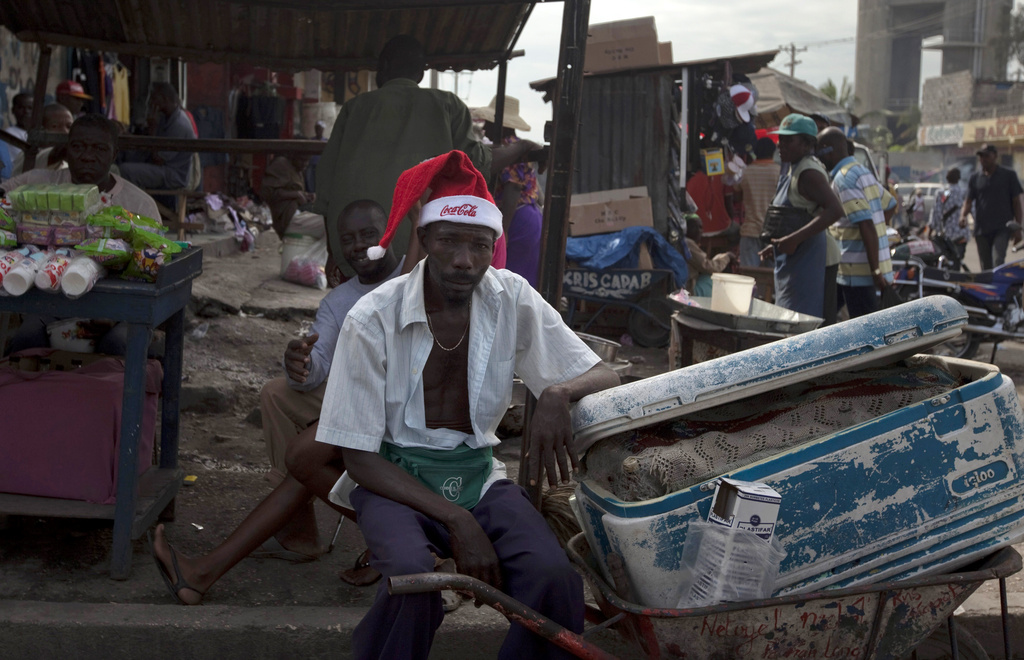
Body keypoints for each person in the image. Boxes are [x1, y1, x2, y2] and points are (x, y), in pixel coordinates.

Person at [308, 150, 620, 659]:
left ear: (494, 247)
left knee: (554, 578)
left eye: (479, 245)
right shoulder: (373, 317)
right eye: (449, 241)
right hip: (393, 479)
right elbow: (358, 457)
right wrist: (459, 520)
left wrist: (557, 393)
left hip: (477, 476)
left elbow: (604, 372)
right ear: (424, 239)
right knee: (414, 582)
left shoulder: (510, 296)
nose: (464, 260)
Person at [150, 200, 404, 604]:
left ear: (389, 231)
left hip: (399, 414)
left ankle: (206, 571)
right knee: (279, 398)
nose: (358, 246)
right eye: (348, 239)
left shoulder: (415, 276)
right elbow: (318, 363)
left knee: (304, 459)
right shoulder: (340, 300)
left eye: (368, 235)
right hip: (363, 408)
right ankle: (265, 544)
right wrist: (300, 364)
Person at [314, 34, 534, 281]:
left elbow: (325, 188)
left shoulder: (354, 108)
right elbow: (479, 163)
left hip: (358, 255)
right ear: (421, 73)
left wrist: (333, 252)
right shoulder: (447, 105)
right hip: (422, 253)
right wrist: (522, 146)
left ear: (382, 68)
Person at [2, 114, 160, 355]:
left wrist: (113, 316)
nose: (87, 156)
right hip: (53, 306)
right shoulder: (39, 185)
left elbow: (153, 266)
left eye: (99, 149)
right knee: (27, 339)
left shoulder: (139, 204)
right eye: (78, 147)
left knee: (116, 345)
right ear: (66, 151)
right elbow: (4, 195)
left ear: (114, 154)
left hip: (120, 309)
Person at [758, 113, 844, 319]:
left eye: (789, 140)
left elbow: (835, 210)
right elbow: (796, 216)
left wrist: (794, 239)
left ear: (806, 145)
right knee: (793, 319)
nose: (781, 145)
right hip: (797, 258)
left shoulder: (809, 173)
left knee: (810, 322)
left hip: (815, 260)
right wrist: (778, 244)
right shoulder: (793, 169)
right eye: (780, 139)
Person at [817, 127, 894, 319]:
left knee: (865, 327)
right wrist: (878, 225)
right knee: (824, 315)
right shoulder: (862, 172)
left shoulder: (845, 180)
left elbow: (865, 222)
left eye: (819, 152)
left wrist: (875, 269)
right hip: (848, 268)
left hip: (858, 271)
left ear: (829, 151)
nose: (818, 159)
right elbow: (890, 204)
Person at [475, 95, 544, 287]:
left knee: (511, 281)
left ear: (500, 125)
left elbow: (513, 188)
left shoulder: (510, 149)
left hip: (516, 218)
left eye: (489, 122)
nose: (485, 128)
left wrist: (502, 231)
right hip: (528, 217)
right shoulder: (515, 146)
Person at [119, 82, 197, 191]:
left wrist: (153, 129)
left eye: (154, 98)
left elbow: (158, 159)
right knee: (126, 153)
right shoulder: (165, 116)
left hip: (172, 174)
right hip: (160, 164)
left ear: (165, 100)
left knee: (125, 170)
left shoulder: (179, 124)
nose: (151, 102)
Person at [961, 143, 1023, 270]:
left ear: (995, 156)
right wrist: (963, 216)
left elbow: (1016, 203)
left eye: (986, 156)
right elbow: (968, 201)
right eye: (981, 156)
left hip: (1002, 228)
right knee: (986, 267)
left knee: (998, 261)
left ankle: (999, 283)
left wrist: (1018, 227)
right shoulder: (975, 178)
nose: (983, 159)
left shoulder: (1008, 175)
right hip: (981, 229)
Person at [737, 137, 780, 267]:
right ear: (773, 152)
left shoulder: (745, 172)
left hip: (750, 230)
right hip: (774, 232)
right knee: (772, 275)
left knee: (748, 275)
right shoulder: (780, 173)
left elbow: (737, 193)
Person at [261, 152, 322, 240]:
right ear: (293, 156)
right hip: (286, 218)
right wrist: (295, 195)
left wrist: (307, 195)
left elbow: (295, 190)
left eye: (307, 161)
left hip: (297, 213)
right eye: (301, 160)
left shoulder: (298, 171)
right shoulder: (281, 164)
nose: (305, 164)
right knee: (327, 225)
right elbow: (267, 194)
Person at [683, 215, 734, 296]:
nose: (698, 231)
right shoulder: (687, 243)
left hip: (685, 286)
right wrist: (727, 257)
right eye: (693, 227)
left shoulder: (684, 242)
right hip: (688, 290)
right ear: (686, 228)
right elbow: (708, 267)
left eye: (700, 227)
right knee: (717, 282)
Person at [928, 168, 970, 262]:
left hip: (946, 234)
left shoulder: (942, 193)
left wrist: (931, 230)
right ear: (959, 178)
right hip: (962, 233)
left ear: (947, 178)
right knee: (958, 258)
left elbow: (936, 213)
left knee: (947, 259)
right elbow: (972, 209)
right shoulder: (964, 192)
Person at [4, 92, 33, 160]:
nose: (26, 111)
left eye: (30, 108)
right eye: (21, 108)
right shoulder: (10, 134)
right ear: (13, 110)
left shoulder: (39, 133)